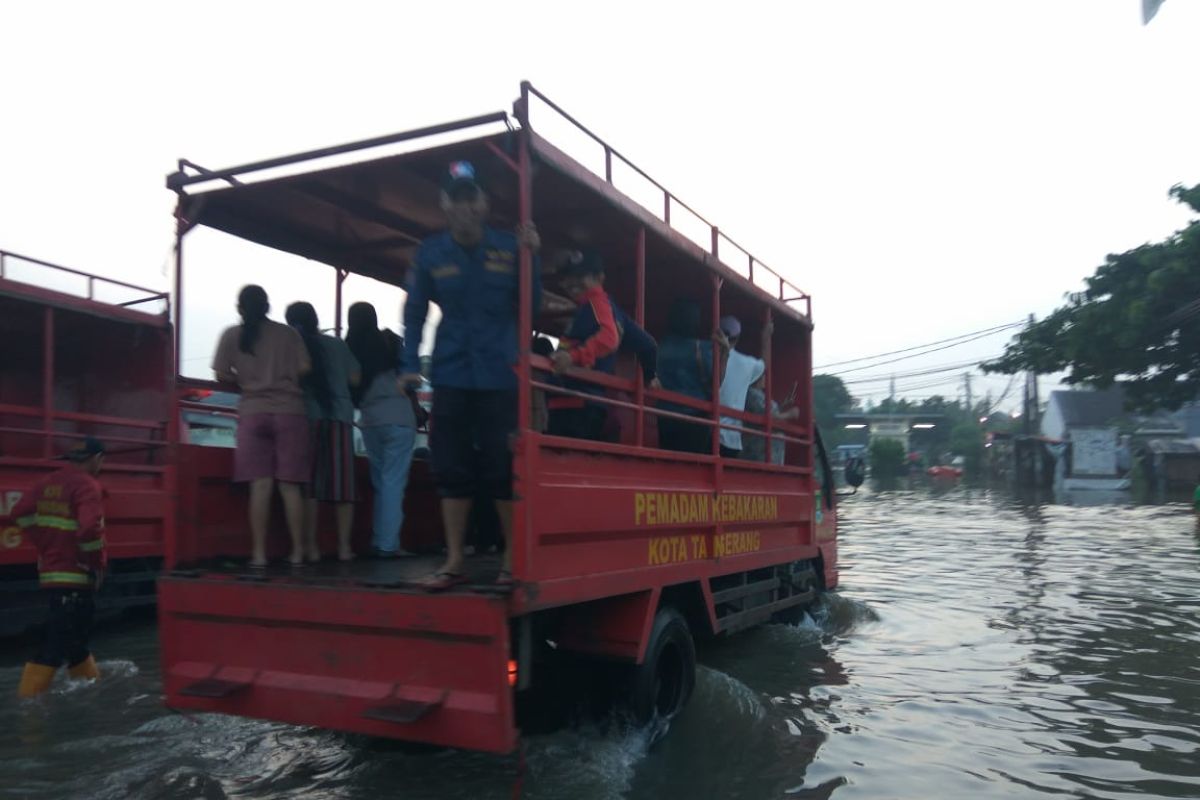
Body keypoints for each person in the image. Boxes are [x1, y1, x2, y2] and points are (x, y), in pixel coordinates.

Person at [400, 160, 541, 590]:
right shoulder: (430, 253)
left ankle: (510, 561)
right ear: (444, 204)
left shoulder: (510, 247)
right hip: (451, 371)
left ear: (484, 204)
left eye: (471, 198)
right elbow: (415, 314)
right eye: (455, 199)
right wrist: (408, 365)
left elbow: (529, 308)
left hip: (500, 373)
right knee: (451, 466)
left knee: (501, 467)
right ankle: (455, 560)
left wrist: (531, 258)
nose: (464, 207)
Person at [212, 285, 311, 567]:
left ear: (240, 308)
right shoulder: (288, 334)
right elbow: (305, 367)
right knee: (291, 486)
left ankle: (258, 554)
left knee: (260, 486)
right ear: (267, 307)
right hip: (290, 411)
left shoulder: (231, 335)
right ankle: (298, 553)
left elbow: (220, 373)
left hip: (253, 411)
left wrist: (246, 379)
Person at [13, 438, 107, 697]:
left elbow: (20, 511)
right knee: (55, 646)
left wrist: (45, 542)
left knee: (76, 642)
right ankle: (28, 707)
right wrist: (96, 565)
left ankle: (92, 693)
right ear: (96, 458)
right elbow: (90, 529)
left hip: (53, 572)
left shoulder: (47, 482)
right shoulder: (87, 485)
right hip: (76, 575)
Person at [549, 251, 660, 441]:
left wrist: (572, 356)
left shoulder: (596, 302)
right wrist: (650, 375)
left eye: (582, 277)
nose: (572, 283)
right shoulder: (608, 310)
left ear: (599, 278)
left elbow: (610, 337)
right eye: (569, 277)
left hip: (577, 404)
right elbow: (648, 345)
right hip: (583, 404)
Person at [285, 302, 361, 562]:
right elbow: (355, 379)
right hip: (340, 417)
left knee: (310, 487)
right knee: (343, 489)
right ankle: (343, 548)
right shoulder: (338, 345)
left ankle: (311, 548)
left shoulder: (294, 346)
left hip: (309, 418)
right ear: (316, 319)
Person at [346, 302, 418, 559]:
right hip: (398, 418)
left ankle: (380, 540)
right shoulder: (390, 344)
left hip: (370, 420)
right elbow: (413, 380)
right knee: (393, 483)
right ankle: (388, 545)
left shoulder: (351, 348)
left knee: (381, 482)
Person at [656, 298, 727, 454]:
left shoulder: (660, 347)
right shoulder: (702, 348)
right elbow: (717, 382)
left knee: (668, 459)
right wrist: (725, 352)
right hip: (694, 416)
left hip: (664, 415)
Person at [717, 315, 772, 458]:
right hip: (731, 439)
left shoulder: (704, 353)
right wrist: (766, 337)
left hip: (705, 433)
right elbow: (763, 365)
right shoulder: (746, 364)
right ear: (738, 338)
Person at [742, 374, 799, 464]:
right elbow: (767, 415)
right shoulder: (752, 394)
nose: (765, 378)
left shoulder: (759, 394)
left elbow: (770, 412)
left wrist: (784, 405)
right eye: (763, 375)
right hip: (760, 448)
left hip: (767, 448)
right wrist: (789, 414)